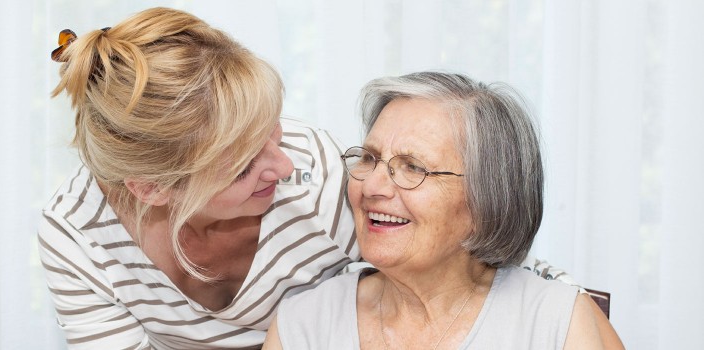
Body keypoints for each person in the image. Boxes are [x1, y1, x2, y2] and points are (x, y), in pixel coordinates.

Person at [39, 7, 357, 349]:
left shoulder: (321, 176)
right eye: (243, 168)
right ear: (152, 188)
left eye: (271, 127)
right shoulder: (77, 232)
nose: (284, 167)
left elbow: (399, 301)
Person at [264, 72, 624, 349]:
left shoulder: (558, 324)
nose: (372, 186)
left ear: (487, 199)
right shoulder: (304, 324)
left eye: (413, 167)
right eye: (370, 158)